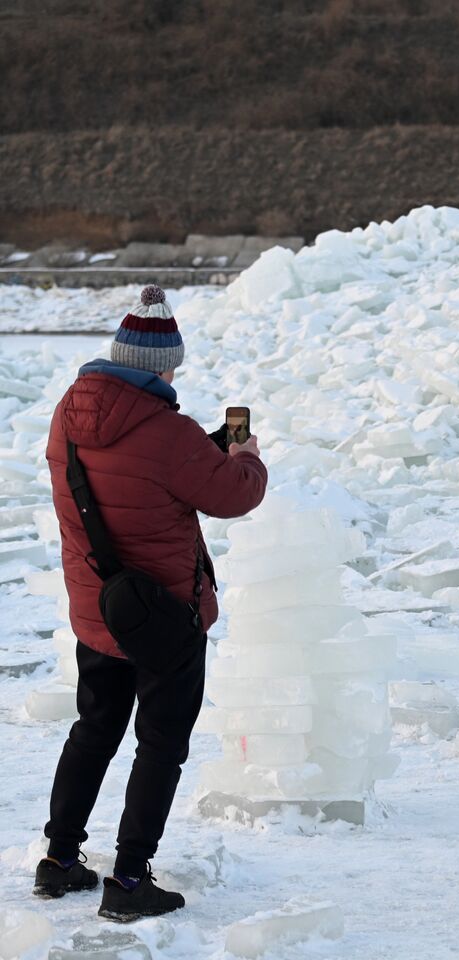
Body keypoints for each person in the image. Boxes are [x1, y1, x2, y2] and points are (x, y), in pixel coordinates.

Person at [34, 285, 267, 922]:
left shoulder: (67, 415)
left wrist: (200, 451)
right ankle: (131, 882)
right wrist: (244, 455)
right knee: (160, 744)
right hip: (165, 618)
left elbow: (129, 477)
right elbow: (233, 496)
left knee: (93, 729)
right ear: (158, 366)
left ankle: (58, 861)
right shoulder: (171, 432)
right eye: (172, 366)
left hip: (98, 611)